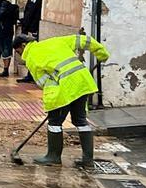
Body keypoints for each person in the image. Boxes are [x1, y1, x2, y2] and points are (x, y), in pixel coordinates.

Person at [12, 33, 110, 168]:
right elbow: (83, 40)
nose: (20, 55)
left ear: (23, 46)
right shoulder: (54, 40)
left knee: (55, 122)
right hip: (83, 82)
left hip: (65, 87)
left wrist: (53, 100)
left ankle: (53, 156)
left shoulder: (32, 58)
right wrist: (101, 53)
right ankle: (88, 160)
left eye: (18, 51)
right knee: (80, 121)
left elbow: (43, 82)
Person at [17, 0, 43, 83]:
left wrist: (34, 30)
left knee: (34, 54)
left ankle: (31, 75)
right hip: (27, 30)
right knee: (28, 53)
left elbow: (36, 16)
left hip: (34, 30)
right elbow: (27, 14)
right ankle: (29, 75)